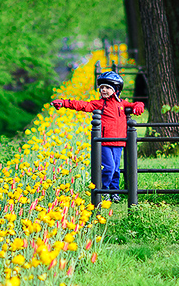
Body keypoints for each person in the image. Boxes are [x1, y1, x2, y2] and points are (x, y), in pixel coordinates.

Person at [51, 71, 145, 202]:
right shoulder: (99, 103)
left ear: (116, 89)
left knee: (116, 170)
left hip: (119, 142)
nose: (104, 90)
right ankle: (104, 190)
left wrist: (139, 106)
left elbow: (135, 104)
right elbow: (82, 105)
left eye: (107, 88)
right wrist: (64, 102)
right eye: (102, 88)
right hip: (105, 141)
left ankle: (114, 191)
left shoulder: (122, 104)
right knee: (109, 168)